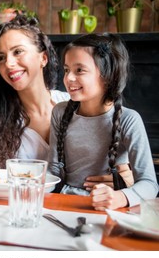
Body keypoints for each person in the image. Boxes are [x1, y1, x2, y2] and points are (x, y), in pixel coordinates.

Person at [48, 33, 158, 210]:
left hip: (106, 208)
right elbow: (52, 173)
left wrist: (120, 197)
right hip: (64, 204)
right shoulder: (59, 112)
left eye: (79, 70)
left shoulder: (129, 120)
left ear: (108, 75)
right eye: (67, 70)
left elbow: (150, 184)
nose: (68, 78)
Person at [0, 14, 70, 170]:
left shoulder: (76, 105)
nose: (9, 64)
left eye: (17, 52)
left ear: (43, 58)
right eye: (1, 58)